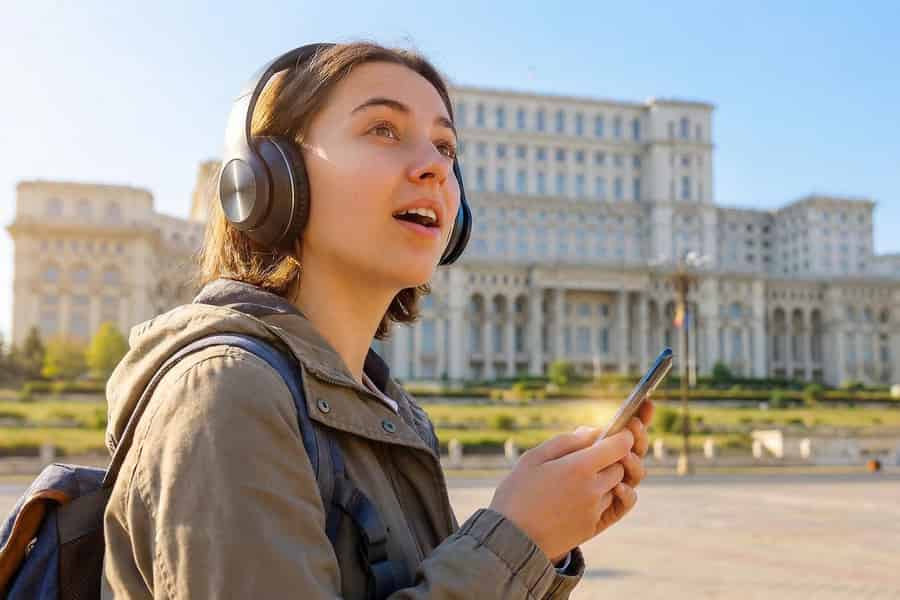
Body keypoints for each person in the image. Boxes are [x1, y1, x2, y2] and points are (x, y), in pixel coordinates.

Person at [102, 41, 654, 599]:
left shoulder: (387, 410)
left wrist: (542, 545)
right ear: (272, 181)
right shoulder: (224, 393)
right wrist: (517, 538)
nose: (435, 166)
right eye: (384, 130)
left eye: (445, 145)